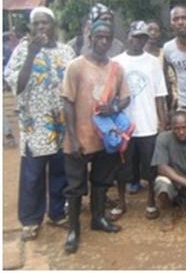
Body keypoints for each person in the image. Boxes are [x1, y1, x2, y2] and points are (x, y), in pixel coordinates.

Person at [4, 7, 75, 241]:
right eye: (36, 24)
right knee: (32, 176)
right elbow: (18, 85)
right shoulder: (22, 51)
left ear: (53, 25)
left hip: (61, 124)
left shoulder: (66, 51)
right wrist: (31, 55)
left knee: (60, 173)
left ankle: (56, 212)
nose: (41, 27)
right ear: (31, 27)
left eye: (45, 23)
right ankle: (31, 220)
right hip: (35, 126)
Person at [61, 19, 130, 254]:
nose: (103, 41)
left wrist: (115, 108)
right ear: (90, 38)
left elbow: (125, 97)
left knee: (101, 182)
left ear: (112, 42)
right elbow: (67, 103)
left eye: (107, 38)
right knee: (75, 187)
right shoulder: (76, 66)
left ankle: (98, 219)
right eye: (99, 37)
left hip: (106, 138)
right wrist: (73, 137)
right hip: (79, 139)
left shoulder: (116, 68)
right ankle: (73, 231)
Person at [110, 21, 168, 221]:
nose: (139, 41)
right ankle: (121, 201)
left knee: (150, 167)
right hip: (124, 126)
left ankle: (151, 201)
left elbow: (160, 96)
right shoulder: (116, 62)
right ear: (128, 36)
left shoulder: (153, 62)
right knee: (122, 167)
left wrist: (163, 123)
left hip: (148, 125)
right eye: (136, 36)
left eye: (143, 37)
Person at [163, 5, 186, 110]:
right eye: (176, 19)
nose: (180, 22)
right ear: (171, 23)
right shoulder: (168, 48)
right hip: (183, 106)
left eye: (184, 18)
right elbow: (167, 76)